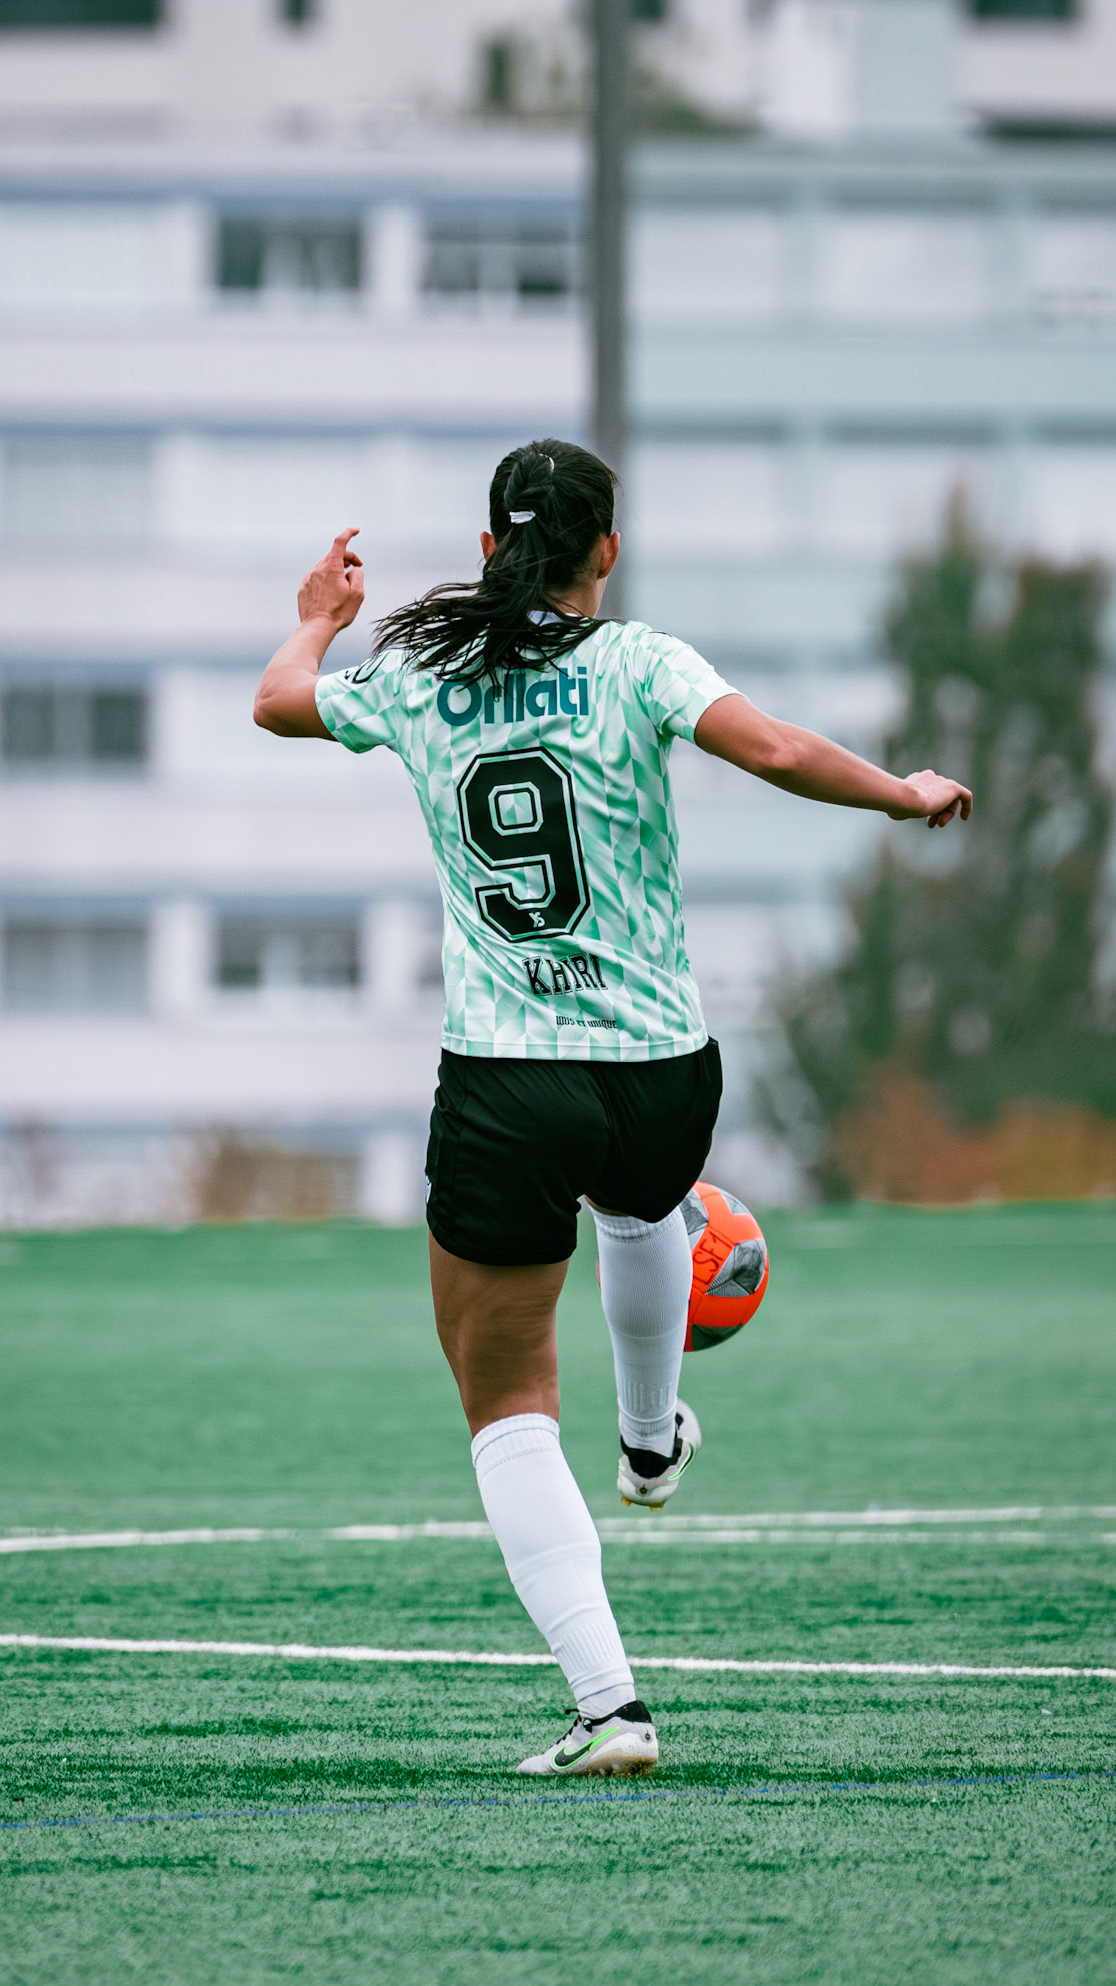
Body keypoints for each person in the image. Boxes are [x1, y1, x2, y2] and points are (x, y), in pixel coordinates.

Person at [254, 439, 971, 1779]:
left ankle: (610, 1711)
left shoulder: (414, 676)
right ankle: (649, 1442)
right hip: (658, 1066)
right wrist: (900, 791)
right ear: (605, 552)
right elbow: (772, 747)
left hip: (507, 1075)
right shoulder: (639, 660)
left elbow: (280, 705)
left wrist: (315, 621)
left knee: (507, 1395)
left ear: (484, 555)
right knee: (646, 1206)